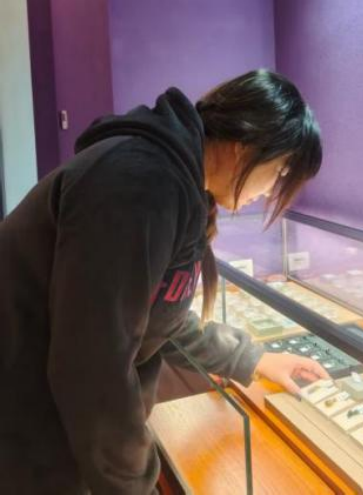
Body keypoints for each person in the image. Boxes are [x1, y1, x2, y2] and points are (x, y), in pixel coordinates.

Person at [0, 69, 327, 494]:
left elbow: (156, 315)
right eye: (280, 172)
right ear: (245, 145)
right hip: (29, 425)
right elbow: (92, 363)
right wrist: (134, 483)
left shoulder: (174, 182)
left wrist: (252, 360)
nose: (270, 192)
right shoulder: (140, 183)